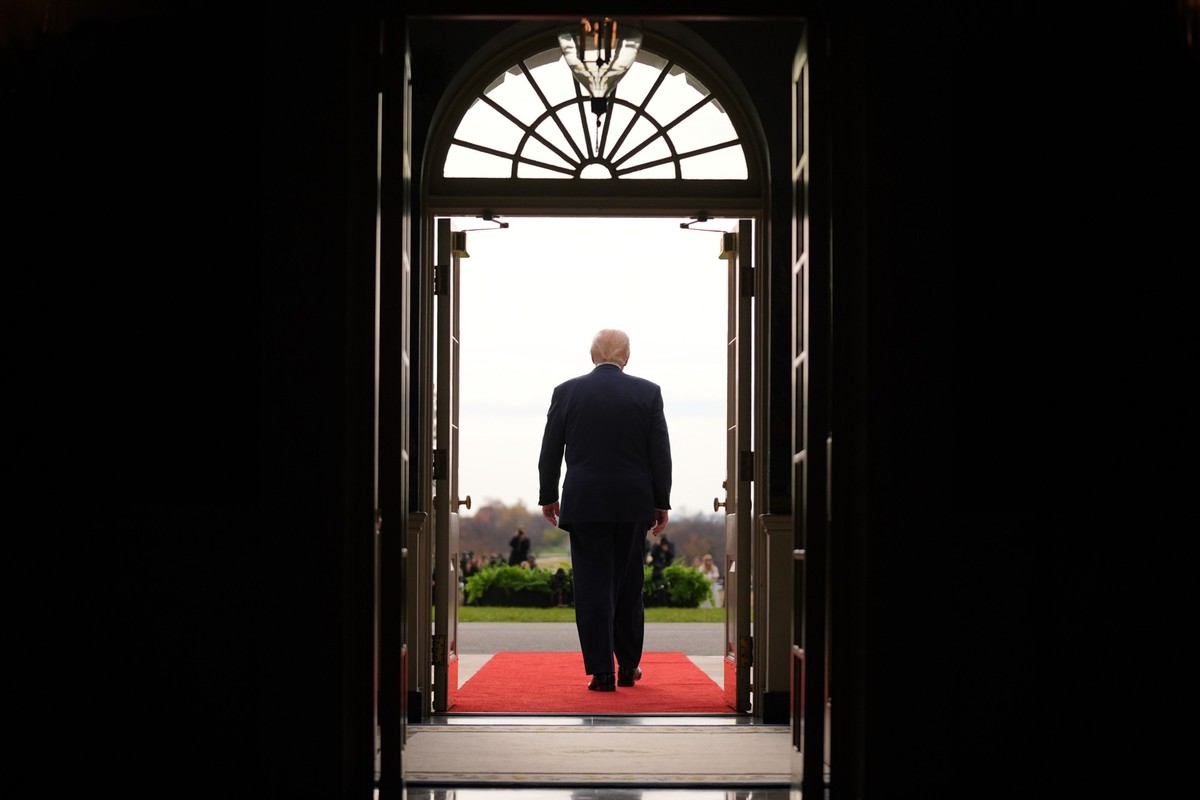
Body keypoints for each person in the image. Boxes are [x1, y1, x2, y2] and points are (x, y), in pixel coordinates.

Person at [539, 328, 673, 692]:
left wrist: (548, 496)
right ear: (626, 357)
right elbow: (659, 454)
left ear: (592, 355)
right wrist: (661, 501)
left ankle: (601, 672)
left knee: (592, 587)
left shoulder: (566, 392)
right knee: (630, 584)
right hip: (632, 501)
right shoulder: (648, 393)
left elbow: (550, 450)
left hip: (585, 502)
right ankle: (629, 665)